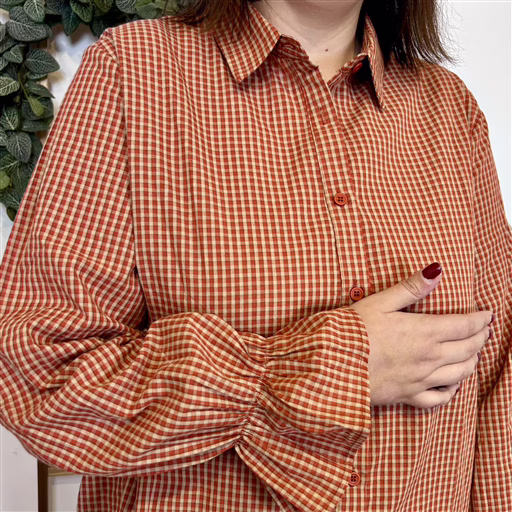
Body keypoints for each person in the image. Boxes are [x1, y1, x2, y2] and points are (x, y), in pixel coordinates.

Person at [0, 0, 509, 510]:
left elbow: (498, 384)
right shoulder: (135, 73)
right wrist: (325, 370)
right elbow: (37, 377)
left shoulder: (449, 108)